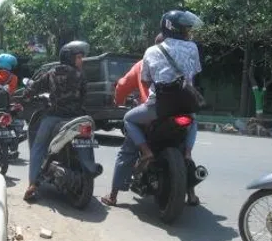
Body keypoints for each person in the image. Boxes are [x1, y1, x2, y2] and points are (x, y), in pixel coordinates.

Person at [101, 10, 203, 206]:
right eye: (186, 28)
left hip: (158, 108)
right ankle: (190, 179)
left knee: (129, 122)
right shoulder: (193, 48)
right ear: (178, 28)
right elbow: (194, 74)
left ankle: (116, 191)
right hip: (185, 105)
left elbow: (144, 81)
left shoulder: (150, 52)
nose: (189, 31)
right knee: (192, 125)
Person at [22, 40, 89, 201]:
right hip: (77, 118)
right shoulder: (81, 75)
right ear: (70, 58)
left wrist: (26, 96)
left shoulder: (52, 73)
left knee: (38, 147)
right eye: (79, 57)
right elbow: (84, 97)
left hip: (54, 117)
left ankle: (32, 184)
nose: (81, 61)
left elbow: (33, 88)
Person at [114, 34, 165, 106]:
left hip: (154, 109)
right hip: (182, 107)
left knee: (128, 117)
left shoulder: (141, 64)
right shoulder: (183, 59)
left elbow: (122, 85)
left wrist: (118, 102)